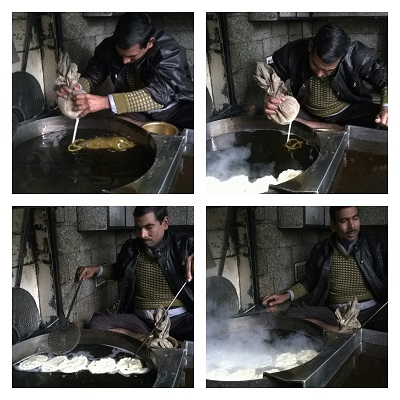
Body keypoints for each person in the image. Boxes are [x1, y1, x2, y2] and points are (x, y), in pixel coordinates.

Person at [56, 13, 194, 129]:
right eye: (121, 54)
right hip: (138, 111)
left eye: (132, 56)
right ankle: (145, 126)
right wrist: (77, 87)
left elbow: (160, 95)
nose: (125, 61)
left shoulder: (168, 51)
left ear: (150, 43)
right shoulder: (108, 47)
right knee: (114, 127)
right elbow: (92, 76)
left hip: (175, 107)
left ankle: (146, 127)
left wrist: (105, 102)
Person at [76, 206, 194, 342]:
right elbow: (119, 270)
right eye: (138, 228)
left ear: (165, 223)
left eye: (149, 227)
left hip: (178, 321)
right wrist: (97, 270)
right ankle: (149, 340)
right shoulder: (132, 248)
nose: (143, 234)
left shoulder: (182, 245)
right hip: (141, 322)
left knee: (206, 327)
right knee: (97, 323)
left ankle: (153, 341)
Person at [262, 206, 387, 332]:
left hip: (370, 313)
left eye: (355, 218)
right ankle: (343, 329)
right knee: (294, 313)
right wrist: (286, 295)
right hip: (335, 313)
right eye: (344, 221)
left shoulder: (376, 244)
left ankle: (342, 331)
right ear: (333, 226)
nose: (352, 226)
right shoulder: (321, 249)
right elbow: (309, 281)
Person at [264, 23, 388, 130]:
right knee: (275, 115)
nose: (319, 74)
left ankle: (320, 127)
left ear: (342, 58)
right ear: (310, 47)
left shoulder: (358, 54)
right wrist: (272, 98)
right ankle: (330, 127)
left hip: (348, 112)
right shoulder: (293, 51)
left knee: (378, 121)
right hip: (307, 111)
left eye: (328, 70)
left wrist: (386, 108)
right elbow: (272, 74)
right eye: (315, 65)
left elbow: (386, 82)